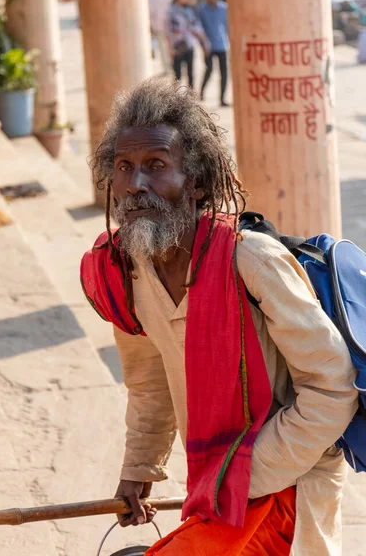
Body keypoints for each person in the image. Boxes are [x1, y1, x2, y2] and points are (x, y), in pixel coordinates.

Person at [81, 78, 357, 555]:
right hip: (219, 484)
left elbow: (333, 387)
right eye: (125, 167)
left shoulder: (252, 261)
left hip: (289, 485)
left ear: (198, 182)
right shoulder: (124, 269)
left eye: (156, 166)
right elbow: (150, 383)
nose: (136, 184)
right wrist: (139, 468)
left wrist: (249, 470)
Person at [167, 0, 210, 88]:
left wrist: (205, 41)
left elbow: (197, 27)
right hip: (177, 46)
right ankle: (173, 99)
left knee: (190, 73)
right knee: (177, 75)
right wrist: (169, 48)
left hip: (189, 45)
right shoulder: (171, 11)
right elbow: (167, 30)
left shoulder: (191, 10)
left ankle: (190, 98)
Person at [198, 0, 229, 106]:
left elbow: (227, 26)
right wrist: (203, 44)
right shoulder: (202, 10)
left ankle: (222, 98)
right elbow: (199, 28)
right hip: (208, 46)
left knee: (224, 73)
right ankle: (201, 91)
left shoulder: (223, 8)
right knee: (209, 69)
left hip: (222, 44)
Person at [148, 0, 175, 74]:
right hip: (171, 26)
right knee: (170, 46)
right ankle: (172, 66)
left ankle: (167, 69)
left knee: (163, 48)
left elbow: (149, 13)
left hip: (158, 26)